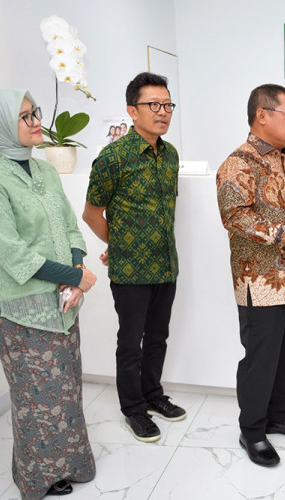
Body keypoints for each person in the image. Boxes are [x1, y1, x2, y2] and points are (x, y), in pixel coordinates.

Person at [0, 89, 97, 498]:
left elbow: (70, 227)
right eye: (25, 116)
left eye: (35, 112)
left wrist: (75, 273)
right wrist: (75, 277)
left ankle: (71, 464)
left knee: (66, 389)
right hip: (19, 307)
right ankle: (37, 477)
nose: (37, 121)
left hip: (63, 299)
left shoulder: (44, 171)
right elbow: (12, 254)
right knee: (35, 396)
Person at [216, 83, 285, 467]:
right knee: (260, 359)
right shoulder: (238, 163)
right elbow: (235, 217)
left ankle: (279, 415)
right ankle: (252, 430)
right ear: (262, 115)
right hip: (262, 282)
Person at [82, 72, 185, 443]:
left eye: (167, 105)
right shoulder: (113, 158)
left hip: (166, 264)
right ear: (132, 110)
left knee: (158, 337)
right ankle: (134, 409)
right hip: (131, 271)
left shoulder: (170, 155)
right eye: (153, 104)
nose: (163, 112)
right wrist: (120, 243)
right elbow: (92, 214)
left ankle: (153, 394)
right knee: (130, 344)